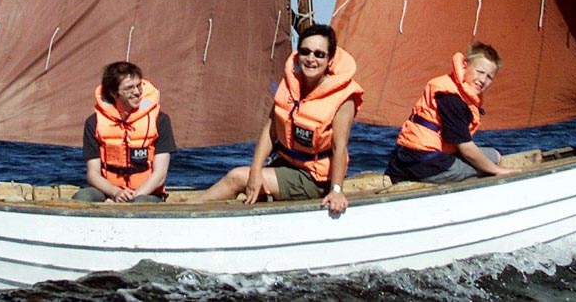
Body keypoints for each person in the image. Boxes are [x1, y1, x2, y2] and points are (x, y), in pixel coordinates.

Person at [195, 23, 363, 215]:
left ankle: (188, 210)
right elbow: (270, 130)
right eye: (305, 52)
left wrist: (336, 191)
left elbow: (339, 148)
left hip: (313, 179)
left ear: (329, 59)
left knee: (236, 177)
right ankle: (193, 208)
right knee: (249, 183)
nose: (311, 59)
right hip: (285, 164)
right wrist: (255, 171)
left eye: (319, 54)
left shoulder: (343, 98)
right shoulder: (291, 84)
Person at [384, 41, 520, 184]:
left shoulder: (456, 89)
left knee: (495, 156)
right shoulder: (451, 98)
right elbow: (466, 148)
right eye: (480, 72)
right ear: (465, 65)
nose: (482, 80)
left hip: (413, 157)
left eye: (489, 77)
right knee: (488, 167)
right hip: (423, 162)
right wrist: (497, 171)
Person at [73, 61, 176, 203]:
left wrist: (134, 198)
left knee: (139, 204)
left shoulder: (160, 120)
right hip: (108, 192)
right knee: (82, 197)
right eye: (129, 88)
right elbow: (93, 174)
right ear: (113, 93)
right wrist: (115, 192)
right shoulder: (94, 123)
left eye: (139, 86)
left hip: (147, 194)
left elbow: (160, 175)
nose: (137, 92)